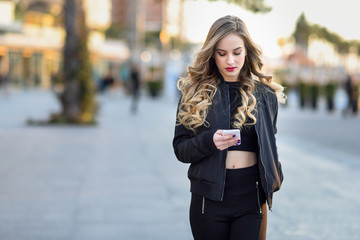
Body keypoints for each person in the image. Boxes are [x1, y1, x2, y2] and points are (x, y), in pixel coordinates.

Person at [172, 15, 286, 240]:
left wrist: (274, 177)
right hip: (208, 201)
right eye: (222, 53)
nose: (230, 60)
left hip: (250, 199)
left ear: (247, 51)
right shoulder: (195, 94)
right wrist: (209, 141)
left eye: (237, 52)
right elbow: (180, 149)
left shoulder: (265, 95)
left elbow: (270, 145)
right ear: (212, 54)